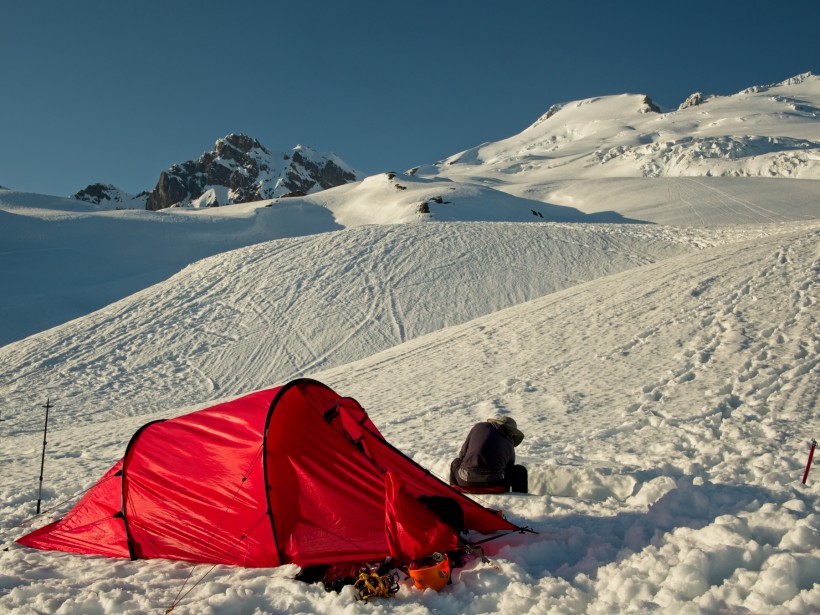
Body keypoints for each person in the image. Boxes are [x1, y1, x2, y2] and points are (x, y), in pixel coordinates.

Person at [450, 417, 528, 493]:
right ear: (512, 431)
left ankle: (453, 495)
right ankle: (520, 498)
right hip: (494, 483)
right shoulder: (510, 442)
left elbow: (462, 455)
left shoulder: (478, 427)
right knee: (520, 470)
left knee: (455, 462)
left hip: (466, 481)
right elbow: (509, 468)